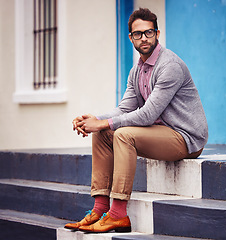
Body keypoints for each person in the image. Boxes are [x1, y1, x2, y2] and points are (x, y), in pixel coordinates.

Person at [64, 7, 208, 233]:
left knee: (123, 134)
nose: (144, 38)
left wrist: (102, 123)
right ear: (130, 37)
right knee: (103, 134)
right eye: (138, 34)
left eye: (149, 32)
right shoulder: (137, 71)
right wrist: (92, 120)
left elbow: (147, 114)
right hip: (160, 133)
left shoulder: (169, 66)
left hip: (185, 138)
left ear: (157, 34)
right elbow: (125, 109)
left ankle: (118, 214)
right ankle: (100, 209)